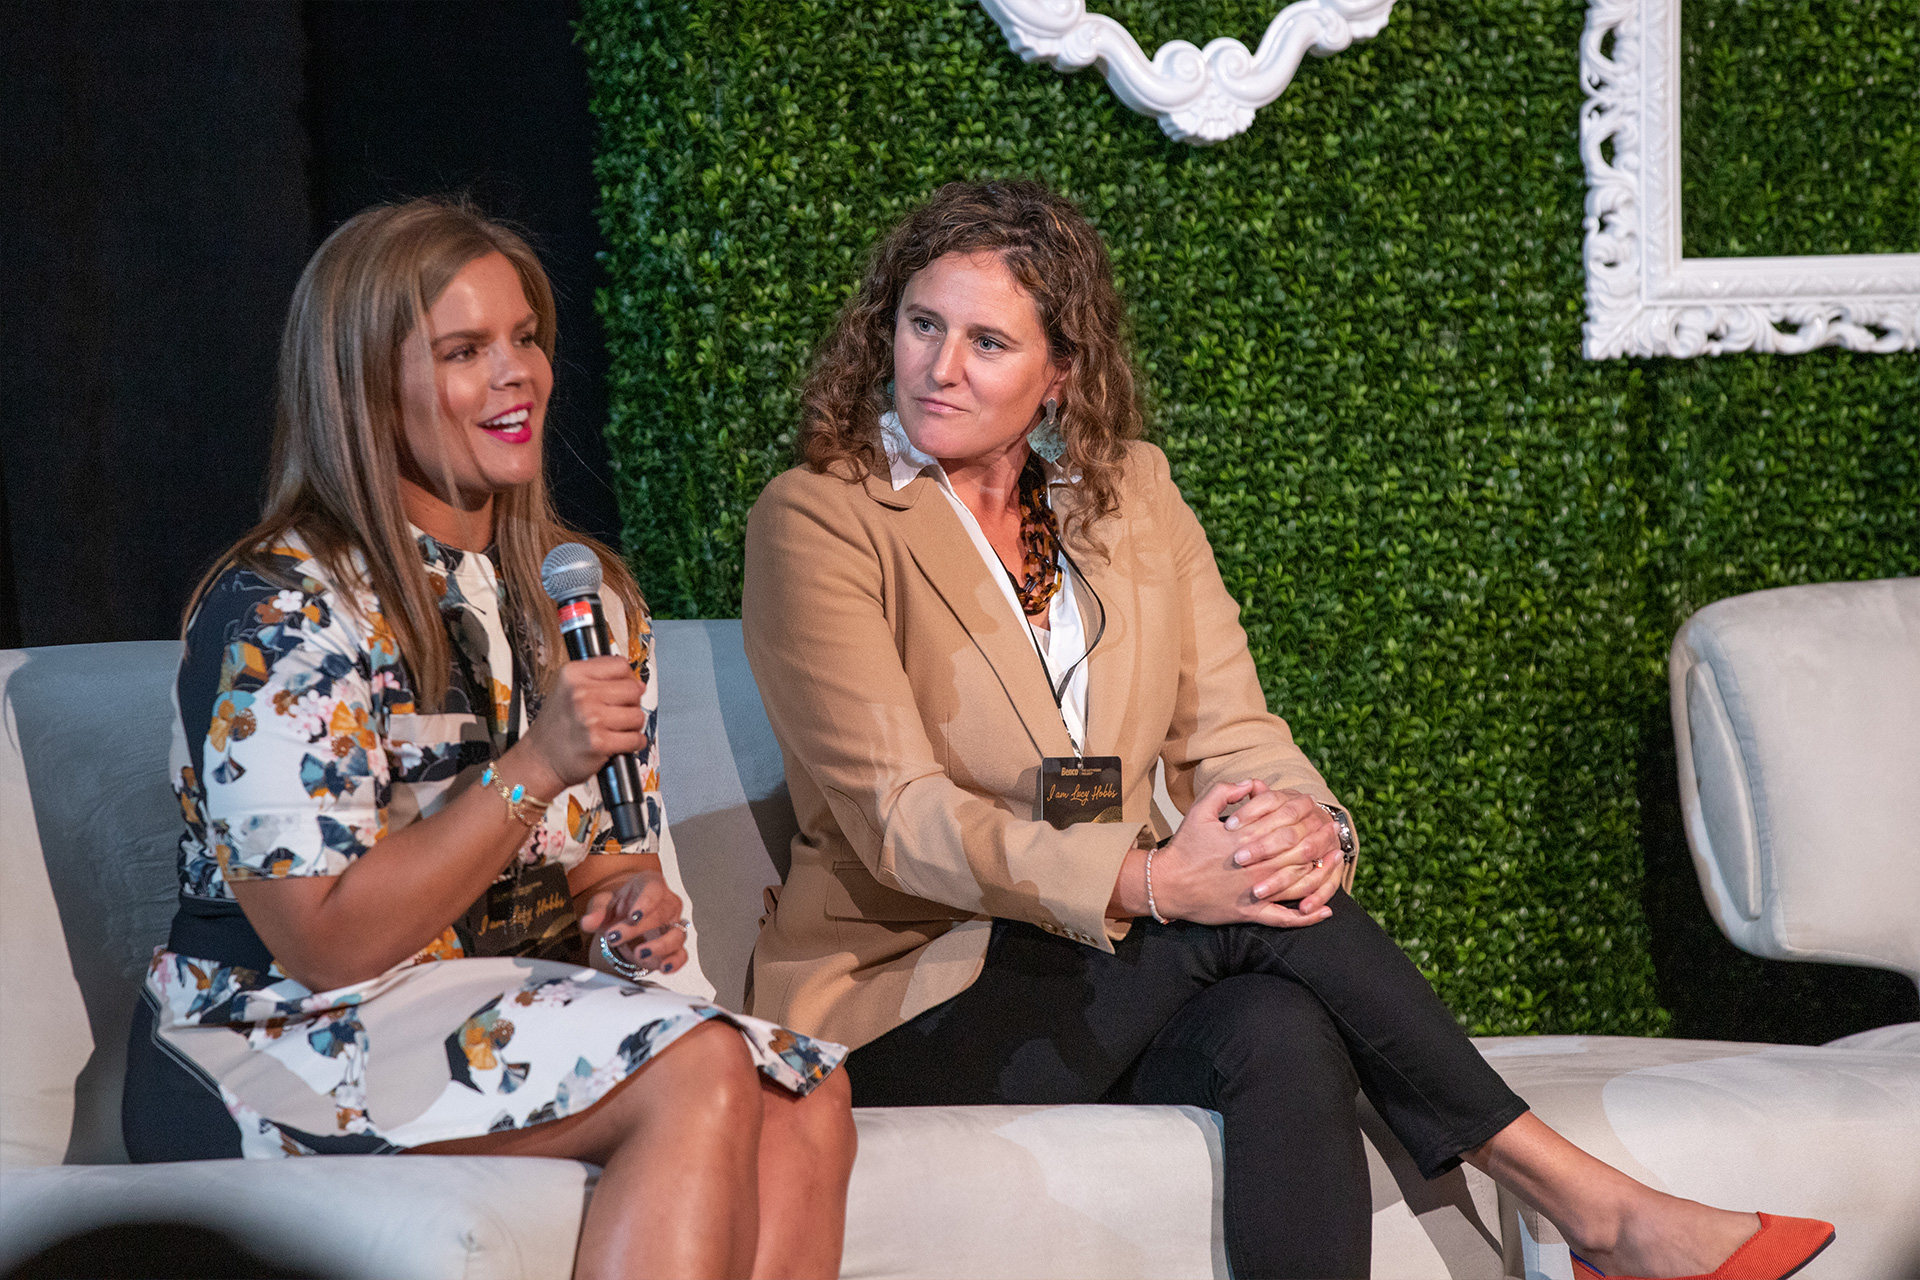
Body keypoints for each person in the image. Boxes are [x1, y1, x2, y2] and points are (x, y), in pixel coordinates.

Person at [739, 179, 1832, 1280]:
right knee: (1234, 923)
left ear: (1060, 372)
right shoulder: (820, 517)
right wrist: (1156, 884)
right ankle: (1581, 1198)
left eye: (987, 341)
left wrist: (1306, 827)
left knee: (1278, 1027)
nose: (940, 365)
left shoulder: (1133, 497)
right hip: (904, 998)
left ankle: (1596, 1217)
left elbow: (1233, 724)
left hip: (1099, 973)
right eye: (922, 324)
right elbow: (898, 819)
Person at [122, 197, 856, 1280]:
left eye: (524, 338)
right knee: (699, 1065)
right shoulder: (283, 609)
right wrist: (531, 767)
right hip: (273, 1032)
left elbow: (605, 847)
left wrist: (623, 903)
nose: (516, 373)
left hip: (494, 993)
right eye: (466, 350)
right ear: (368, 387)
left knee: (803, 1087)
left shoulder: (582, 591)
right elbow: (321, 939)